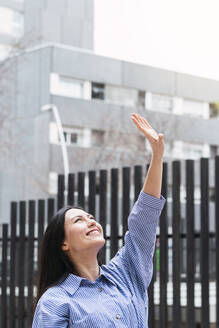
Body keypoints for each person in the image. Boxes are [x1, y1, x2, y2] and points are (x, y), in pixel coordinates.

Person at [32, 113, 166, 328]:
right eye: (79, 220)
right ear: (63, 243)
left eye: (91, 217)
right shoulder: (55, 302)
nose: (91, 221)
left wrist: (157, 157)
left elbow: (144, 221)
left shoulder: (126, 273)